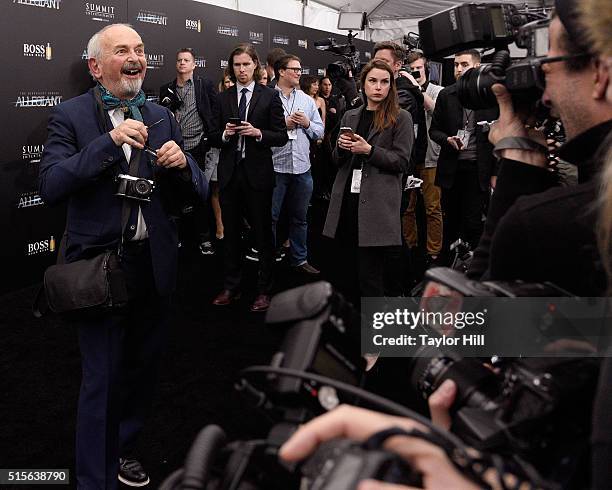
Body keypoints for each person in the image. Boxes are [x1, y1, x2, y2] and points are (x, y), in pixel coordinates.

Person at [39, 24, 207, 489]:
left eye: (140, 49)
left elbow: (195, 189)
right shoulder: (70, 116)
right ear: (95, 67)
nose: (135, 58)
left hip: (153, 265)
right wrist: (108, 144)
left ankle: (122, 450)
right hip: (99, 270)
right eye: (121, 51)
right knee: (102, 379)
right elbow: (52, 185)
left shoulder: (161, 115)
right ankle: (95, 479)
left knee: (141, 372)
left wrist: (184, 165)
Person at [323, 59, 414, 303]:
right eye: (373, 81)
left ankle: (373, 332)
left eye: (385, 82)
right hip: (347, 203)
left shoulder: (401, 118)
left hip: (377, 206)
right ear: (363, 84)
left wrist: (369, 151)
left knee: (371, 277)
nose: (378, 87)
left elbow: (402, 162)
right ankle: (350, 330)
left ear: (391, 86)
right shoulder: (350, 115)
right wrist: (342, 148)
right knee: (345, 273)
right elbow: (336, 160)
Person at [209, 43, 288, 312]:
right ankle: (232, 286)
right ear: (231, 67)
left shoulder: (270, 96)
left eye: (246, 64)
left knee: (263, 235)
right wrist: (225, 135)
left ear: (256, 65)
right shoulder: (223, 98)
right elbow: (212, 136)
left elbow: (281, 135)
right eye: (236, 65)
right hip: (231, 175)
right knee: (231, 235)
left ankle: (264, 290)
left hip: (259, 176)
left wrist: (258, 134)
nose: (241, 70)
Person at [429, 49, 498, 256]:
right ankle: (448, 265)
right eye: (456, 64)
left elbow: (498, 138)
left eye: (464, 64)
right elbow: (434, 130)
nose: (459, 69)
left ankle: (473, 267)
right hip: (451, 170)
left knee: (473, 223)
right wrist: (447, 139)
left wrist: (495, 172)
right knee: (450, 222)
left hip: (479, 170)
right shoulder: (446, 94)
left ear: (477, 66)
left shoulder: (490, 97)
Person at [159, 48, 218, 254]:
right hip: (176, 149)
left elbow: (214, 111)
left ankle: (204, 238)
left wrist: (210, 137)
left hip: (199, 147)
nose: (182, 63)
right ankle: (176, 238)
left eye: (186, 60)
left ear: (194, 65)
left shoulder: (204, 85)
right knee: (175, 195)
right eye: (179, 60)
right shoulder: (166, 89)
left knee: (199, 195)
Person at [271, 55, 324, 274]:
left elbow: (320, 131)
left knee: (300, 218)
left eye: (300, 69)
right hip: (275, 167)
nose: (299, 73)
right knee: (271, 217)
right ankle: (269, 258)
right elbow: (257, 129)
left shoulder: (306, 100)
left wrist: (307, 123)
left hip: (302, 168)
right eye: (294, 69)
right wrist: (284, 124)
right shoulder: (266, 96)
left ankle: (299, 260)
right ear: (281, 71)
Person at [401, 51, 444, 266]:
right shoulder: (401, 89)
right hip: (408, 157)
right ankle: (410, 245)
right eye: (411, 68)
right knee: (407, 207)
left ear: (426, 68)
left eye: (418, 68)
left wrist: (416, 88)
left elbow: (436, 110)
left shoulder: (437, 90)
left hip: (430, 157)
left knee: (432, 208)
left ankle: (434, 251)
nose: (415, 71)